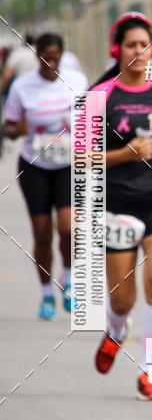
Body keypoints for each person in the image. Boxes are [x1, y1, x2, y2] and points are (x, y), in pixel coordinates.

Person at [89, 11, 152, 400]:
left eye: (144, 45)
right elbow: (81, 159)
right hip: (115, 205)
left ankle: (150, 370)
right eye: (131, 44)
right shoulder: (99, 97)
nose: (138, 51)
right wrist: (125, 154)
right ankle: (116, 330)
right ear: (117, 49)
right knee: (121, 298)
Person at [2, 33, 88, 319]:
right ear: (36, 56)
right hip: (34, 166)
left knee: (67, 228)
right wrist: (20, 129)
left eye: (55, 59)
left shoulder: (76, 81)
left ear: (62, 57)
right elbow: (9, 126)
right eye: (45, 59)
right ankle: (46, 294)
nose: (50, 64)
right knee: (41, 232)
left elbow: (92, 120)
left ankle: (68, 280)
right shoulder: (22, 87)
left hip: (67, 165)